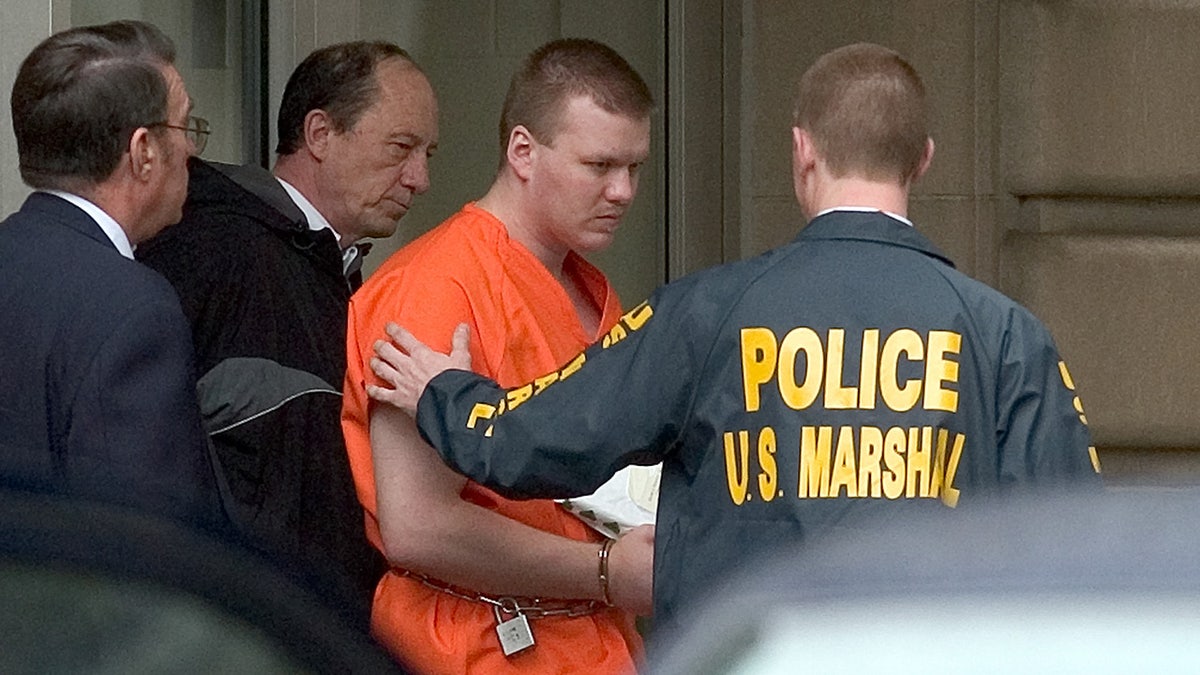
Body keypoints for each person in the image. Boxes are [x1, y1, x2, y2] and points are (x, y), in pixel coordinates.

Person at [364, 43, 1104, 636]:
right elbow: (1077, 545)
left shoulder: (705, 312)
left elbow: (545, 436)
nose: (622, 189)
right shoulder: (1006, 334)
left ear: (801, 151)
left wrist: (446, 394)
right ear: (923, 159)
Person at [340, 38, 653, 673]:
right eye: (599, 166)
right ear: (522, 152)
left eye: (634, 167)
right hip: (474, 645)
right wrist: (604, 571)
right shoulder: (437, 286)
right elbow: (419, 526)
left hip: (597, 642)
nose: (623, 191)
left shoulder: (593, 291)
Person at [137, 41, 436, 625]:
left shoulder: (324, 268)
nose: (420, 178)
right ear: (320, 134)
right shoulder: (219, 252)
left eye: (428, 154)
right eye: (401, 148)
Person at [0, 21, 224, 529]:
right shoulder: (133, 309)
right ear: (143, 151)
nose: (192, 149)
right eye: (185, 126)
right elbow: (143, 544)